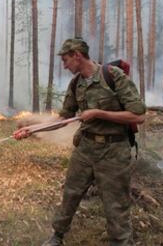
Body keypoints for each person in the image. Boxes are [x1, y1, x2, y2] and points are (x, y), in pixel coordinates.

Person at [13, 38, 146, 246]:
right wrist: (32, 129)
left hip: (114, 151)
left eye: (66, 60)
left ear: (77, 55)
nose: (64, 66)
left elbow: (138, 116)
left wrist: (99, 113)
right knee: (70, 194)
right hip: (85, 149)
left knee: (116, 204)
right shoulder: (76, 84)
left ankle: (120, 242)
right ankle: (57, 236)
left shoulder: (112, 76)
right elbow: (62, 119)